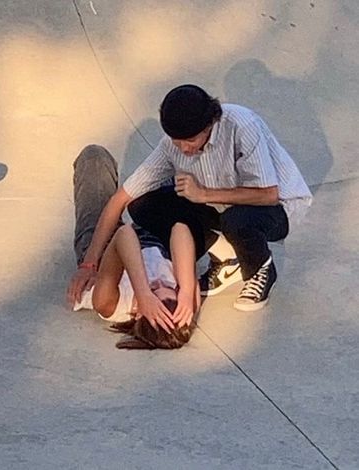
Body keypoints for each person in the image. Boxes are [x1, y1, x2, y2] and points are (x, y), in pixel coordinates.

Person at [68, 84, 312, 326]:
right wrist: (186, 289)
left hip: (276, 207)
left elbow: (270, 194)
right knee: (147, 205)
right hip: (207, 217)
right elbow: (160, 221)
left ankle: (253, 264)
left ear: (210, 124)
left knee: (94, 157)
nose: (184, 149)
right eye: (177, 142)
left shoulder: (241, 125)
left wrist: (90, 264)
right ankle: (233, 259)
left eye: (190, 140)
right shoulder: (183, 292)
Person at [70, 145, 199, 343]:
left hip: (104, 253)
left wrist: (143, 292)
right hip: (154, 240)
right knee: (176, 160)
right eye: (168, 286)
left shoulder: (108, 304)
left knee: (94, 157)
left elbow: (124, 235)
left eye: (154, 287)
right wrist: (187, 291)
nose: (159, 281)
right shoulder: (184, 304)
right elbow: (179, 230)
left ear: (139, 313)